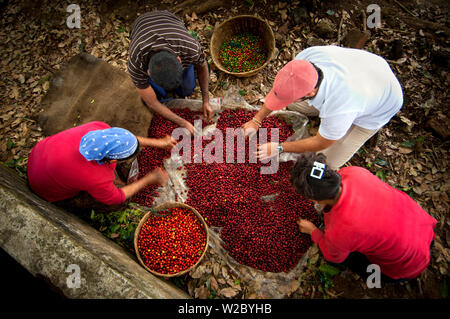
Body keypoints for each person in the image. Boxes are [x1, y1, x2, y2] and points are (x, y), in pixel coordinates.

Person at [243, 45, 403, 170]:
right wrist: (256, 120)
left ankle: (351, 128)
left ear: (311, 91)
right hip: (367, 71)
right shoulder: (304, 63)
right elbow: (281, 89)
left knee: (325, 162)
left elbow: (322, 142)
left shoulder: (341, 104)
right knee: (291, 103)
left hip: (379, 105)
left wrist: (279, 147)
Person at [290, 152, 437, 282]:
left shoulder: (341, 230)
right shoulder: (354, 172)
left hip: (407, 265)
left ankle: (379, 279)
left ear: (314, 200)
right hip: (424, 229)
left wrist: (313, 231)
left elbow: (333, 255)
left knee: (348, 258)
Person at [27, 121, 177, 213]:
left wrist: (159, 142)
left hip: (39, 155)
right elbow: (116, 197)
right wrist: (149, 179)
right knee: (118, 204)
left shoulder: (97, 128)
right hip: (44, 187)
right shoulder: (95, 177)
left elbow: (124, 140)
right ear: (112, 161)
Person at [128, 10, 213, 135]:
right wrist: (182, 122)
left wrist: (206, 100)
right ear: (148, 72)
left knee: (187, 89)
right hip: (140, 26)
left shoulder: (188, 46)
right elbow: (151, 102)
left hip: (168, 20)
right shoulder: (136, 63)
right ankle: (163, 91)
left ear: (179, 59)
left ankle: (179, 88)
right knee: (160, 94)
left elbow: (203, 67)